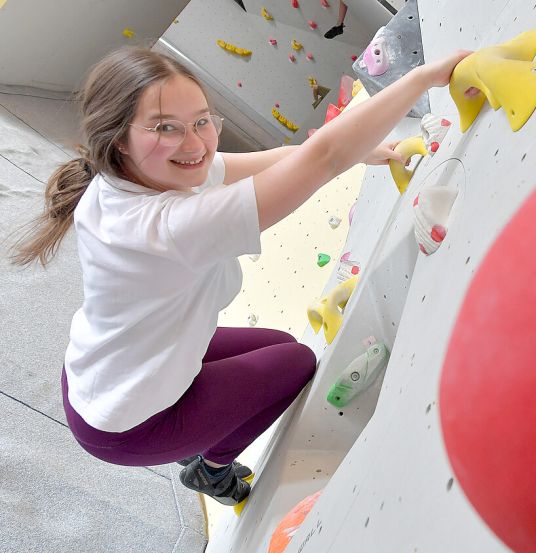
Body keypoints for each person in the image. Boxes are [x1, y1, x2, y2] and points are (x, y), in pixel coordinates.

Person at [9, 46, 469, 505]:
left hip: (108, 366)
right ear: (119, 138)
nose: (195, 145)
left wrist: (362, 152)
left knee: (280, 347)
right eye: (165, 127)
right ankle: (211, 469)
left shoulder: (124, 177)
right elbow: (322, 159)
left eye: (202, 120)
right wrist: (424, 78)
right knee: (297, 364)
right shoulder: (170, 226)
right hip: (126, 423)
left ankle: (201, 439)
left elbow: (282, 159)